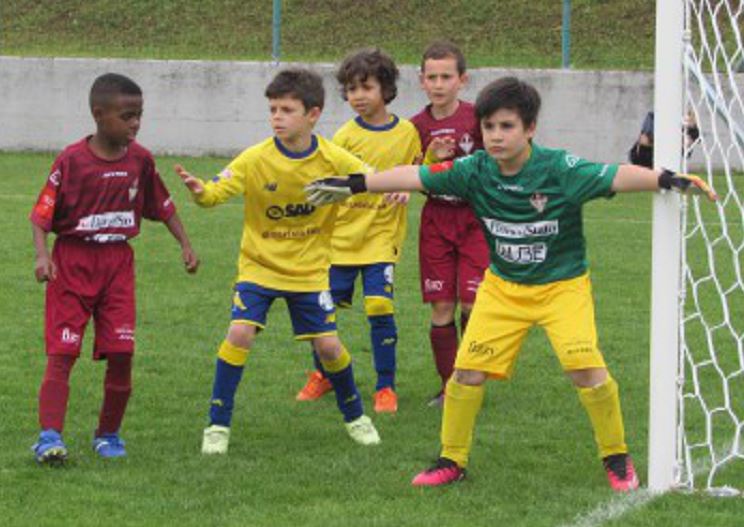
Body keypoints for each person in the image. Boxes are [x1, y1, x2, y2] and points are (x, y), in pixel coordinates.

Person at [305, 76, 717, 491]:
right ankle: (451, 460)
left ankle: (616, 457)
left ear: (530, 128)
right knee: (465, 374)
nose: (496, 136)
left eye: (507, 127)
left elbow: (615, 175)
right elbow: (414, 176)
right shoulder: (474, 170)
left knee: (585, 370)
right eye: (489, 128)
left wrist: (666, 179)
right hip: (503, 289)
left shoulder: (559, 169)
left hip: (563, 288)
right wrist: (353, 185)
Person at [175, 68, 381, 454]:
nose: (277, 117)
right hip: (259, 267)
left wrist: (393, 190)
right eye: (272, 109)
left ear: (312, 114)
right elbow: (217, 193)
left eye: (286, 109)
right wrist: (201, 191)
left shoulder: (332, 157)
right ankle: (217, 425)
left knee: (330, 348)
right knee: (239, 334)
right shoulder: (257, 157)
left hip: (309, 273)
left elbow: (371, 178)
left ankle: (356, 416)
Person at [29, 72, 200, 465]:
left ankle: (108, 435)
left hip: (118, 265)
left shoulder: (140, 160)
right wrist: (43, 256)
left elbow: (163, 205)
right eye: (127, 116)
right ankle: (49, 436)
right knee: (63, 352)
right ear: (98, 114)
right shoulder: (72, 160)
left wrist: (186, 245)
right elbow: (41, 216)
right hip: (72, 262)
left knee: (122, 352)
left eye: (139, 115)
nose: (135, 124)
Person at [294, 48, 422, 413]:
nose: (358, 96)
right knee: (324, 310)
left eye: (366, 87)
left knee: (380, 305)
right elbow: (331, 180)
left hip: (382, 235)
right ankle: (323, 374)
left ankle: (386, 387)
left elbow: (417, 169)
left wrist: (408, 186)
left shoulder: (407, 132)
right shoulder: (345, 135)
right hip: (341, 240)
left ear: (386, 88)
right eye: (351, 89)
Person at [410, 41, 490, 406]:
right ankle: (449, 386)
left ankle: (469, 377)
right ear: (421, 81)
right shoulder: (415, 127)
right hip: (437, 221)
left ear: (462, 80)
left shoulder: (479, 118)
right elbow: (411, 173)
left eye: (447, 76)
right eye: (432, 77)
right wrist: (429, 161)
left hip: (474, 218)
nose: (439, 84)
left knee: (472, 304)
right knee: (441, 306)